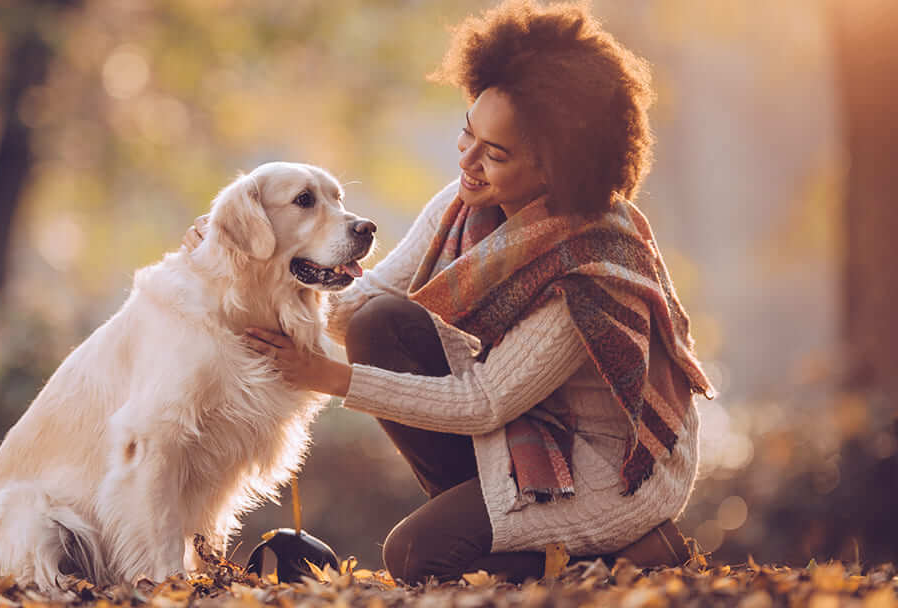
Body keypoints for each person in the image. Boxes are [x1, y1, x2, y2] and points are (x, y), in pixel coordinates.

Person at [188, 0, 713, 584]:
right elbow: (359, 306)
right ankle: (486, 519)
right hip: (530, 431)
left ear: (556, 170)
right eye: (468, 133)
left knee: (416, 557)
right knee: (380, 324)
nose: (468, 161)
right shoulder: (468, 205)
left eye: (496, 153)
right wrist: (254, 262)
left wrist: (324, 375)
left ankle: (636, 548)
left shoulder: (586, 266)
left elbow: (483, 402)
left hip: (609, 472)